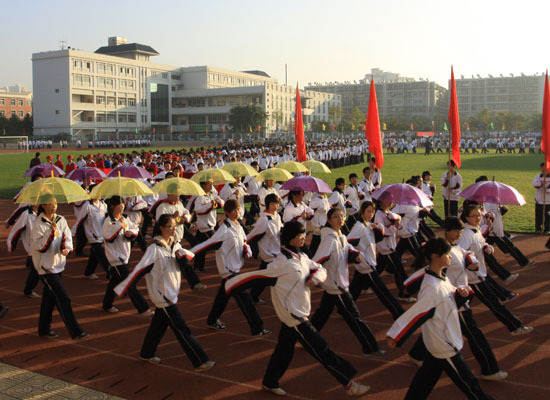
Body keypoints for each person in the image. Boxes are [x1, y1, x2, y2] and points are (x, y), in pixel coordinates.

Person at [224, 221, 370, 397]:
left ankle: (269, 381)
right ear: (290, 238)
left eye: (303, 234)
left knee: (284, 350)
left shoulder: (301, 257)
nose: (303, 237)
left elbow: (320, 268)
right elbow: (253, 277)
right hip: (294, 317)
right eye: (299, 235)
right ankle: (349, 384)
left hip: (297, 314)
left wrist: (315, 279)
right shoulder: (279, 265)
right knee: (322, 349)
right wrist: (229, 285)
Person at [387, 238, 496, 400]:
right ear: (436, 256)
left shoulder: (440, 278)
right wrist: (396, 335)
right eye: (447, 254)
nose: (451, 256)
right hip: (445, 345)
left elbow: (448, 301)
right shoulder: (432, 287)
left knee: (423, 383)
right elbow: (417, 313)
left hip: (438, 344)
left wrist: (461, 293)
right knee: (471, 386)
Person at [405, 217, 509, 381]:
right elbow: (428, 270)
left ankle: (417, 353)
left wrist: (472, 261)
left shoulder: (457, 248)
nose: (460, 232)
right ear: (447, 230)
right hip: (453, 300)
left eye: (461, 229)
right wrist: (409, 287)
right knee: (475, 335)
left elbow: (465, 255)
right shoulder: (441, 252)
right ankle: (490, 369)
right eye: (457, 230)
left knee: (441, 329)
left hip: (457, 300)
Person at [114, 214, 215, 371]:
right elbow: (139, 269)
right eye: (170, 226)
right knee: (182, 329)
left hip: (171, 293)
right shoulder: (153, 249)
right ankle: (200, 360)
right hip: (163, 296)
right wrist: (123, 287)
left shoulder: (175, 245)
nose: (174, 229)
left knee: (158, 325)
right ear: (161, 228)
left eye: (175, 226)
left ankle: (146, 353)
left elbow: (188, 258)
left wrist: (185, 258)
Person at [311, 207, 385, 356]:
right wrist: (313, 278)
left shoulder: (340, 236)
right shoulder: (329, 241)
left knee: (322, 314)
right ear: (329, 220)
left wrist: (356, 254)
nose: (341, 219)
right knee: (355, 319)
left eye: (342, 216)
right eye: (336, 217)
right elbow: (316, 261)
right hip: (337, 287)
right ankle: (371, 347)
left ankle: (308, 337)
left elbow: (348, 248)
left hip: (336, 286)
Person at [190, 200, 270, 336]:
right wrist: (189, 253)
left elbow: (244, 241)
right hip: (229, 272)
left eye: (238, 209)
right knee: (246, 301)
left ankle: (212, 320)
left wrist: (247, 249)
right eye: (234, 210)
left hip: (235, 269)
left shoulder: (238, 226)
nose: (237, 212)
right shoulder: (224, 230)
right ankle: (257, 328)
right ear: (227, 212)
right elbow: (207, 244)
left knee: (222, 297)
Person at [458, 204, 533, 335]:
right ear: (466, 217)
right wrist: (470, 264)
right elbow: (461, 253)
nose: (477, 218)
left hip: (480, 275)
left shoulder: (476, 230)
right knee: (495, 304)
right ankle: (515, 327)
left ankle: (443, 319)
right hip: (474, 278)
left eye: (479, 215)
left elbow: (483, 243)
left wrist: (487, 247)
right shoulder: (466, 235)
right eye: (473, 216)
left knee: (459, 305)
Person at [31, 196, 89, 340]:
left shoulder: (60, 220)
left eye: (55, 203)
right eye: (50, 204)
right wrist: (50, 232)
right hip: (46, 267)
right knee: (63, 298)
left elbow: (67, 237)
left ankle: (43, 328)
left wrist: (67, 249)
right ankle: (75, 331)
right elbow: (40, 247)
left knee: (49, 298)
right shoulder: (39, 224)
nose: (54, 206)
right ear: (43, 205)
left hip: (58, 265)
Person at [347, 201, 404, 320]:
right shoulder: (358, 227)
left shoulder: (368, 225)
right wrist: (356, 255)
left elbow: (377, 239)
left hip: (365, 265)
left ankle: (345, 309)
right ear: (362, 212)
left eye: (372, 212)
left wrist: (378, 228)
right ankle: (398, 312)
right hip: (367, 265)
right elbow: (347, 243)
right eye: (368, 211)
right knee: (383, 292)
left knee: (355, 288)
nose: (371, 214)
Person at [102, 196, 152, 315]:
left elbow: (134, 229)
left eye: (123, 204)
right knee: (129, 283)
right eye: (120, 204)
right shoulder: (108, 221)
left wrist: (131, 233)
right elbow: (109, 238)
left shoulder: (125, 218)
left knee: (115, 281)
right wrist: (119, 225)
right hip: (115, 257)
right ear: (113, 206)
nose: (123, 206)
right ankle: (143, 308)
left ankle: (107, 304)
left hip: (125, 255)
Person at [246, 193, 282, 304]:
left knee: (263, 278)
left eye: (276, 203)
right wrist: (250, 249)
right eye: (272, 204)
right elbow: (252, 236)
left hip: (277, 252)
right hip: (269, 254)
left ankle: (253, 296)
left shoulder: (277, 216)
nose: (275, 206)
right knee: (274, 278)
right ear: (267, 205)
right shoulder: (264, 220)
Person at [7, 203, 41, 298]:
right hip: (33, 248)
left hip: (44, 247)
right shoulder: (26, 214)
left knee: (42, 270)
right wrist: (11, 245)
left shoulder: (45, 214)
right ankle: (28, 290)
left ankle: (30, 289)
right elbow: (16, 230)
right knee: (38, 270)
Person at [72, 196, 110, 279]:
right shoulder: (87, 205)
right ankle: (111, 273)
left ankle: (89, 272)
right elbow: (80, 220)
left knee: (95, 255)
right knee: (102, 255)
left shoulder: (103, 204)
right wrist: (73, 233)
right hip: (92, 235)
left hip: (101, 234)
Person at [192, 179, 224, 272]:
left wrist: (217, 201)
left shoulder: (212, 195)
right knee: (218, 246)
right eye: (209, 184)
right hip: (206, 227)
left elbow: (222, 203)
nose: (211, 186)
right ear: (203, 186)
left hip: (208, 226)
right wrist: (210, 205)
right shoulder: (199, 197)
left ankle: (197, 266)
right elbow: (199, 210)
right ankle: (224, 266)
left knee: (201, 248)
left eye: (212, 184)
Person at [533, 162, 550, 233]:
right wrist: (542, 184)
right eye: (542, 167)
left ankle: (547, 229)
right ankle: (538, 229)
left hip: (548, 201)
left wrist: (546, 187)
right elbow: (535, 185)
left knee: (548, 216)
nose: (543, 169)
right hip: (539, 200)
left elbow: (548, 189)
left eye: (545, 167)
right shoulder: (537, 177)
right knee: (538, 216)